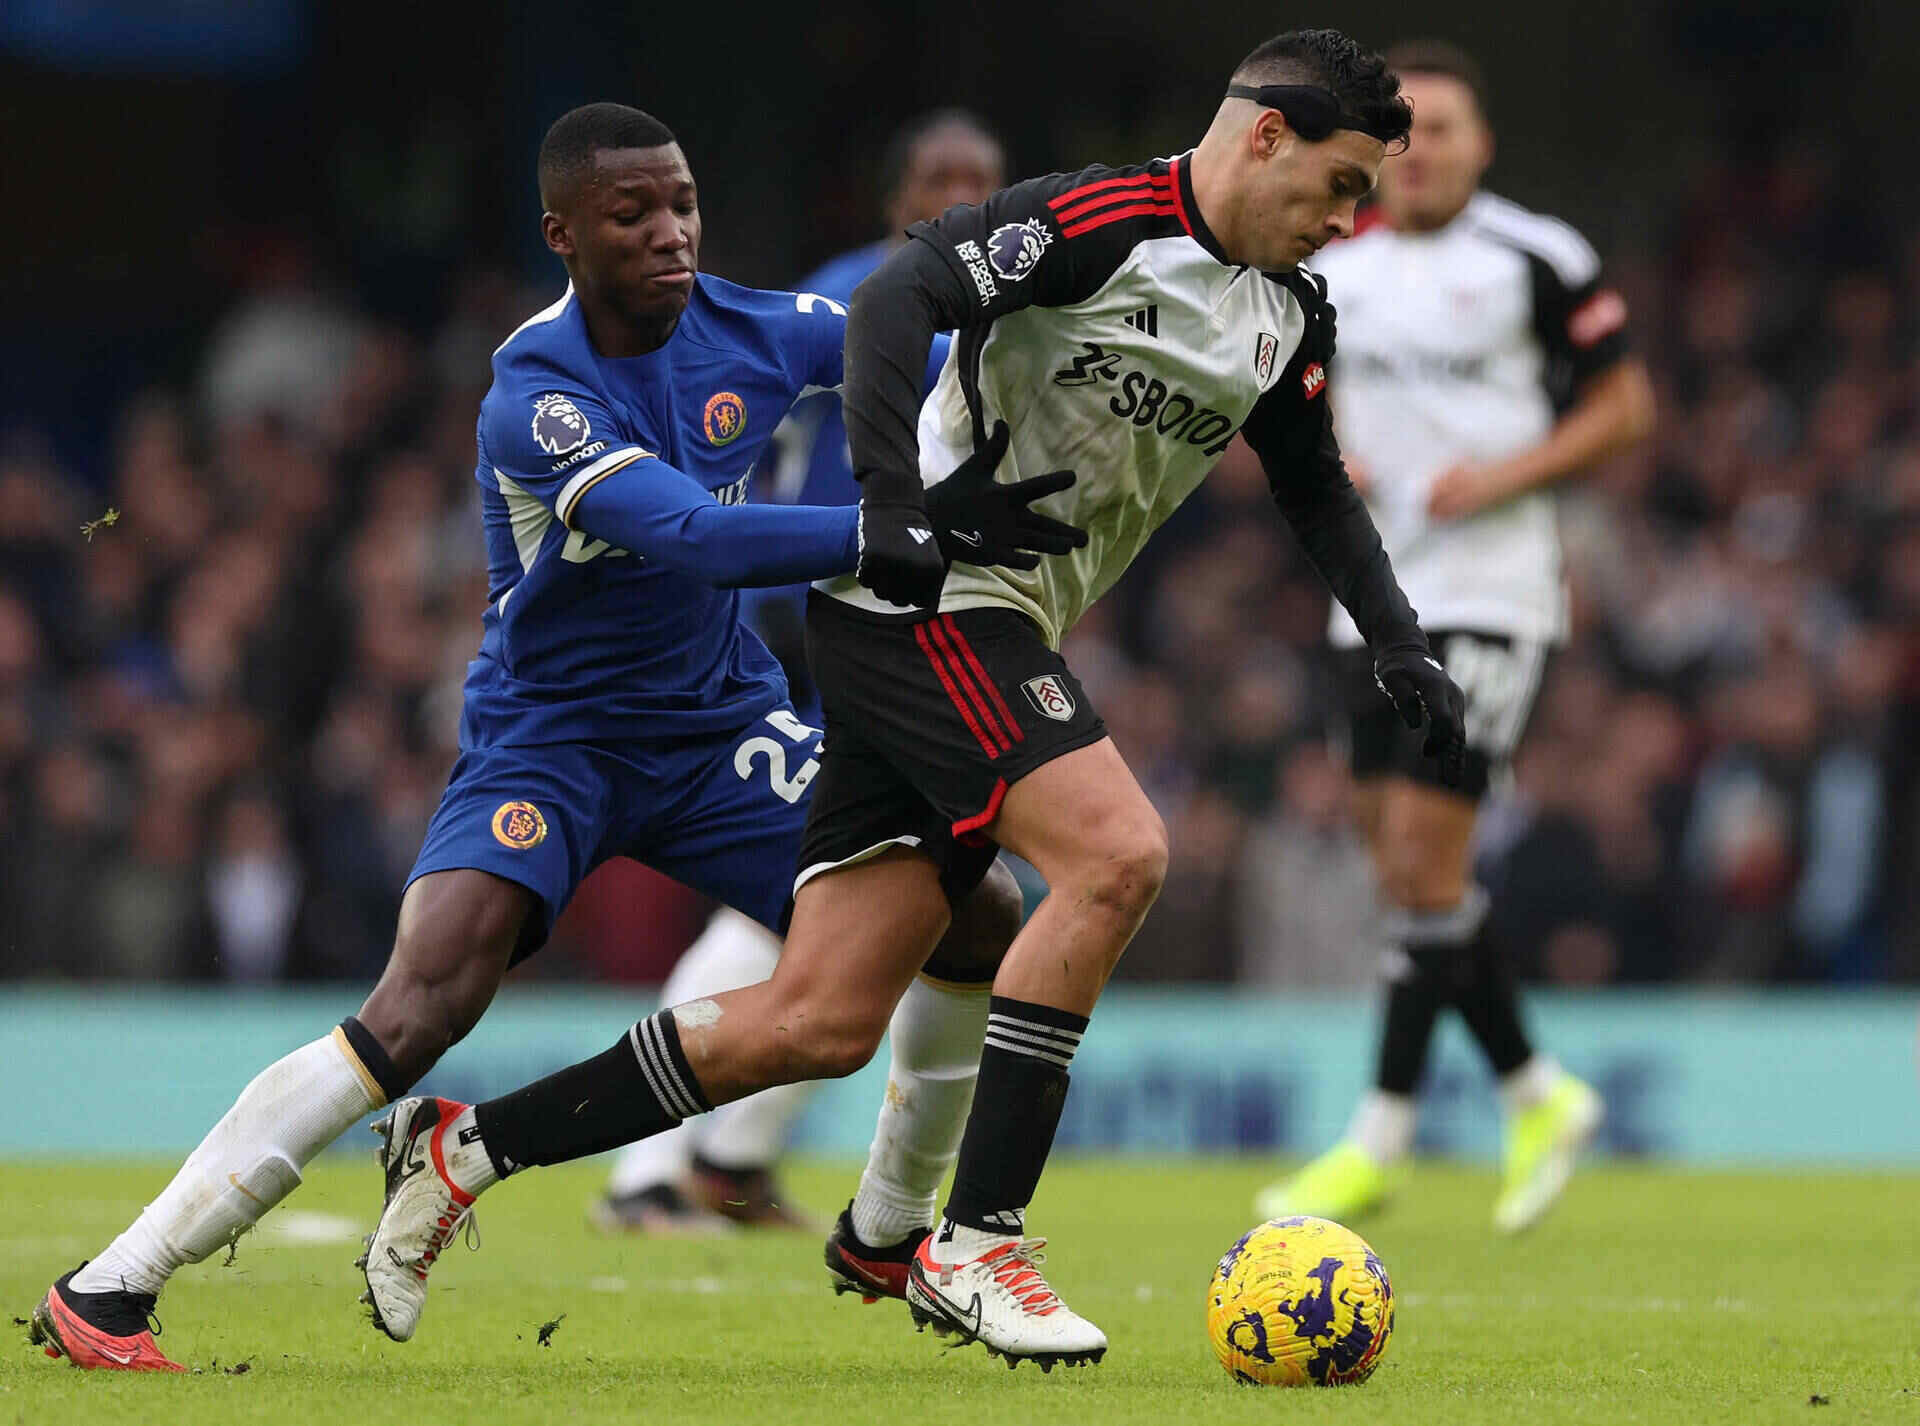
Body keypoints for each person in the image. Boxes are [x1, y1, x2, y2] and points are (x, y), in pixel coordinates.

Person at [357, 28, 1465, 1371]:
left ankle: (468, 1149)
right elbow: (896, 299)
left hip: (998, 621)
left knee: (819, 1018)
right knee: (1117, 855)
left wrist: (1398, 637)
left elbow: (1315, 483)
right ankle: (976, 1242)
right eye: (1343, 185)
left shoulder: (1288, 310)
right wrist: (892, 504)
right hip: (927, 604)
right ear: (1267, 136)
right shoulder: (1096, 221)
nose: (1350, 218)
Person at [28, 101, 1078, 1372]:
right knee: (421, 1004)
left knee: (975, 909)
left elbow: (942, 353)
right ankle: (113, 1284)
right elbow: (693, 535)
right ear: (564, 234)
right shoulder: (536, 392)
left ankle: (893, 1229)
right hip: (554, 740)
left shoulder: (762, 326)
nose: (670, 231)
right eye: (632, 214)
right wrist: (882, 533)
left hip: (717, 726)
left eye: (683, 203)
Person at [1256, 40, 1655, 1233]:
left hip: (1491, 593)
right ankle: (1539, 1091)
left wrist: (1506, 476)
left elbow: (1626, 408)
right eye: (1402, 132)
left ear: (1483, 145)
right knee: (1401, 867)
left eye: (1441, 129)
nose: (1419, 151)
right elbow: (1279, 394)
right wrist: (1328, 448)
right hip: (1373, 598)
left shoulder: (1537, 257)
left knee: (1427, 865)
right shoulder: (1334, 263)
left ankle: (1377, 1137)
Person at [593, 110, 1007, 1242]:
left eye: (979, 178)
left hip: (947, 620)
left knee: (894, 889)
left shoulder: (1009, 311)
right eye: (938, 175)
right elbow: (726, 438)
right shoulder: (843, 298)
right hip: (842, 611)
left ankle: (727, 1163)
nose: (959, 193)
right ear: (895, 198)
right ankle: (648, 1171)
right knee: (837, 878)